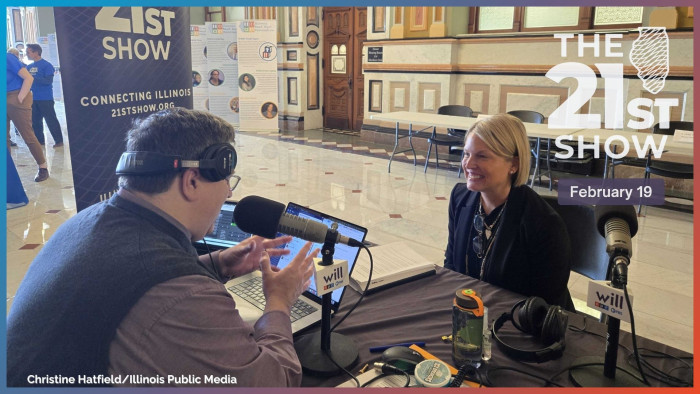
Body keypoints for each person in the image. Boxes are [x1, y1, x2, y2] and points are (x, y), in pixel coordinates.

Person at [7, 108, 318, 387]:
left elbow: (130, 279)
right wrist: (279, 300)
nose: (227, 194)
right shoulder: (181, 296)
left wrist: (218, 264)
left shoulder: (90, 218)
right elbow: (272, 382)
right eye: (227, 182)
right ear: (192, 181)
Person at [443, 114, 573, 309]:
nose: (468, 164)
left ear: (514, 164)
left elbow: (545, 306)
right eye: (466, 154)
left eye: (482, 156)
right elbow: (451, 268)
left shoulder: (544, 223)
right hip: (470, 317)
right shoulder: (459, 198)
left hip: (520, 327)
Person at [7, 50, 49, 182]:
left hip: (15, 96)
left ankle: (43, 167)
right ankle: (8, 171)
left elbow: (28, 78)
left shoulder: (7, 58)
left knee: (27, 135)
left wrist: (20, 98)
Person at [26, 44, 64, 148]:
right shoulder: (28, 67)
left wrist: (32, 78)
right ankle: (40, 141)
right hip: (33, 99)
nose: (27, 54)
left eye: (29, 52)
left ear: (36, 52)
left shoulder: (47, 65)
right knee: (35, 121)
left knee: (51, 120)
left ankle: (59, 140)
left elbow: (48, 81)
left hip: (45, 98)